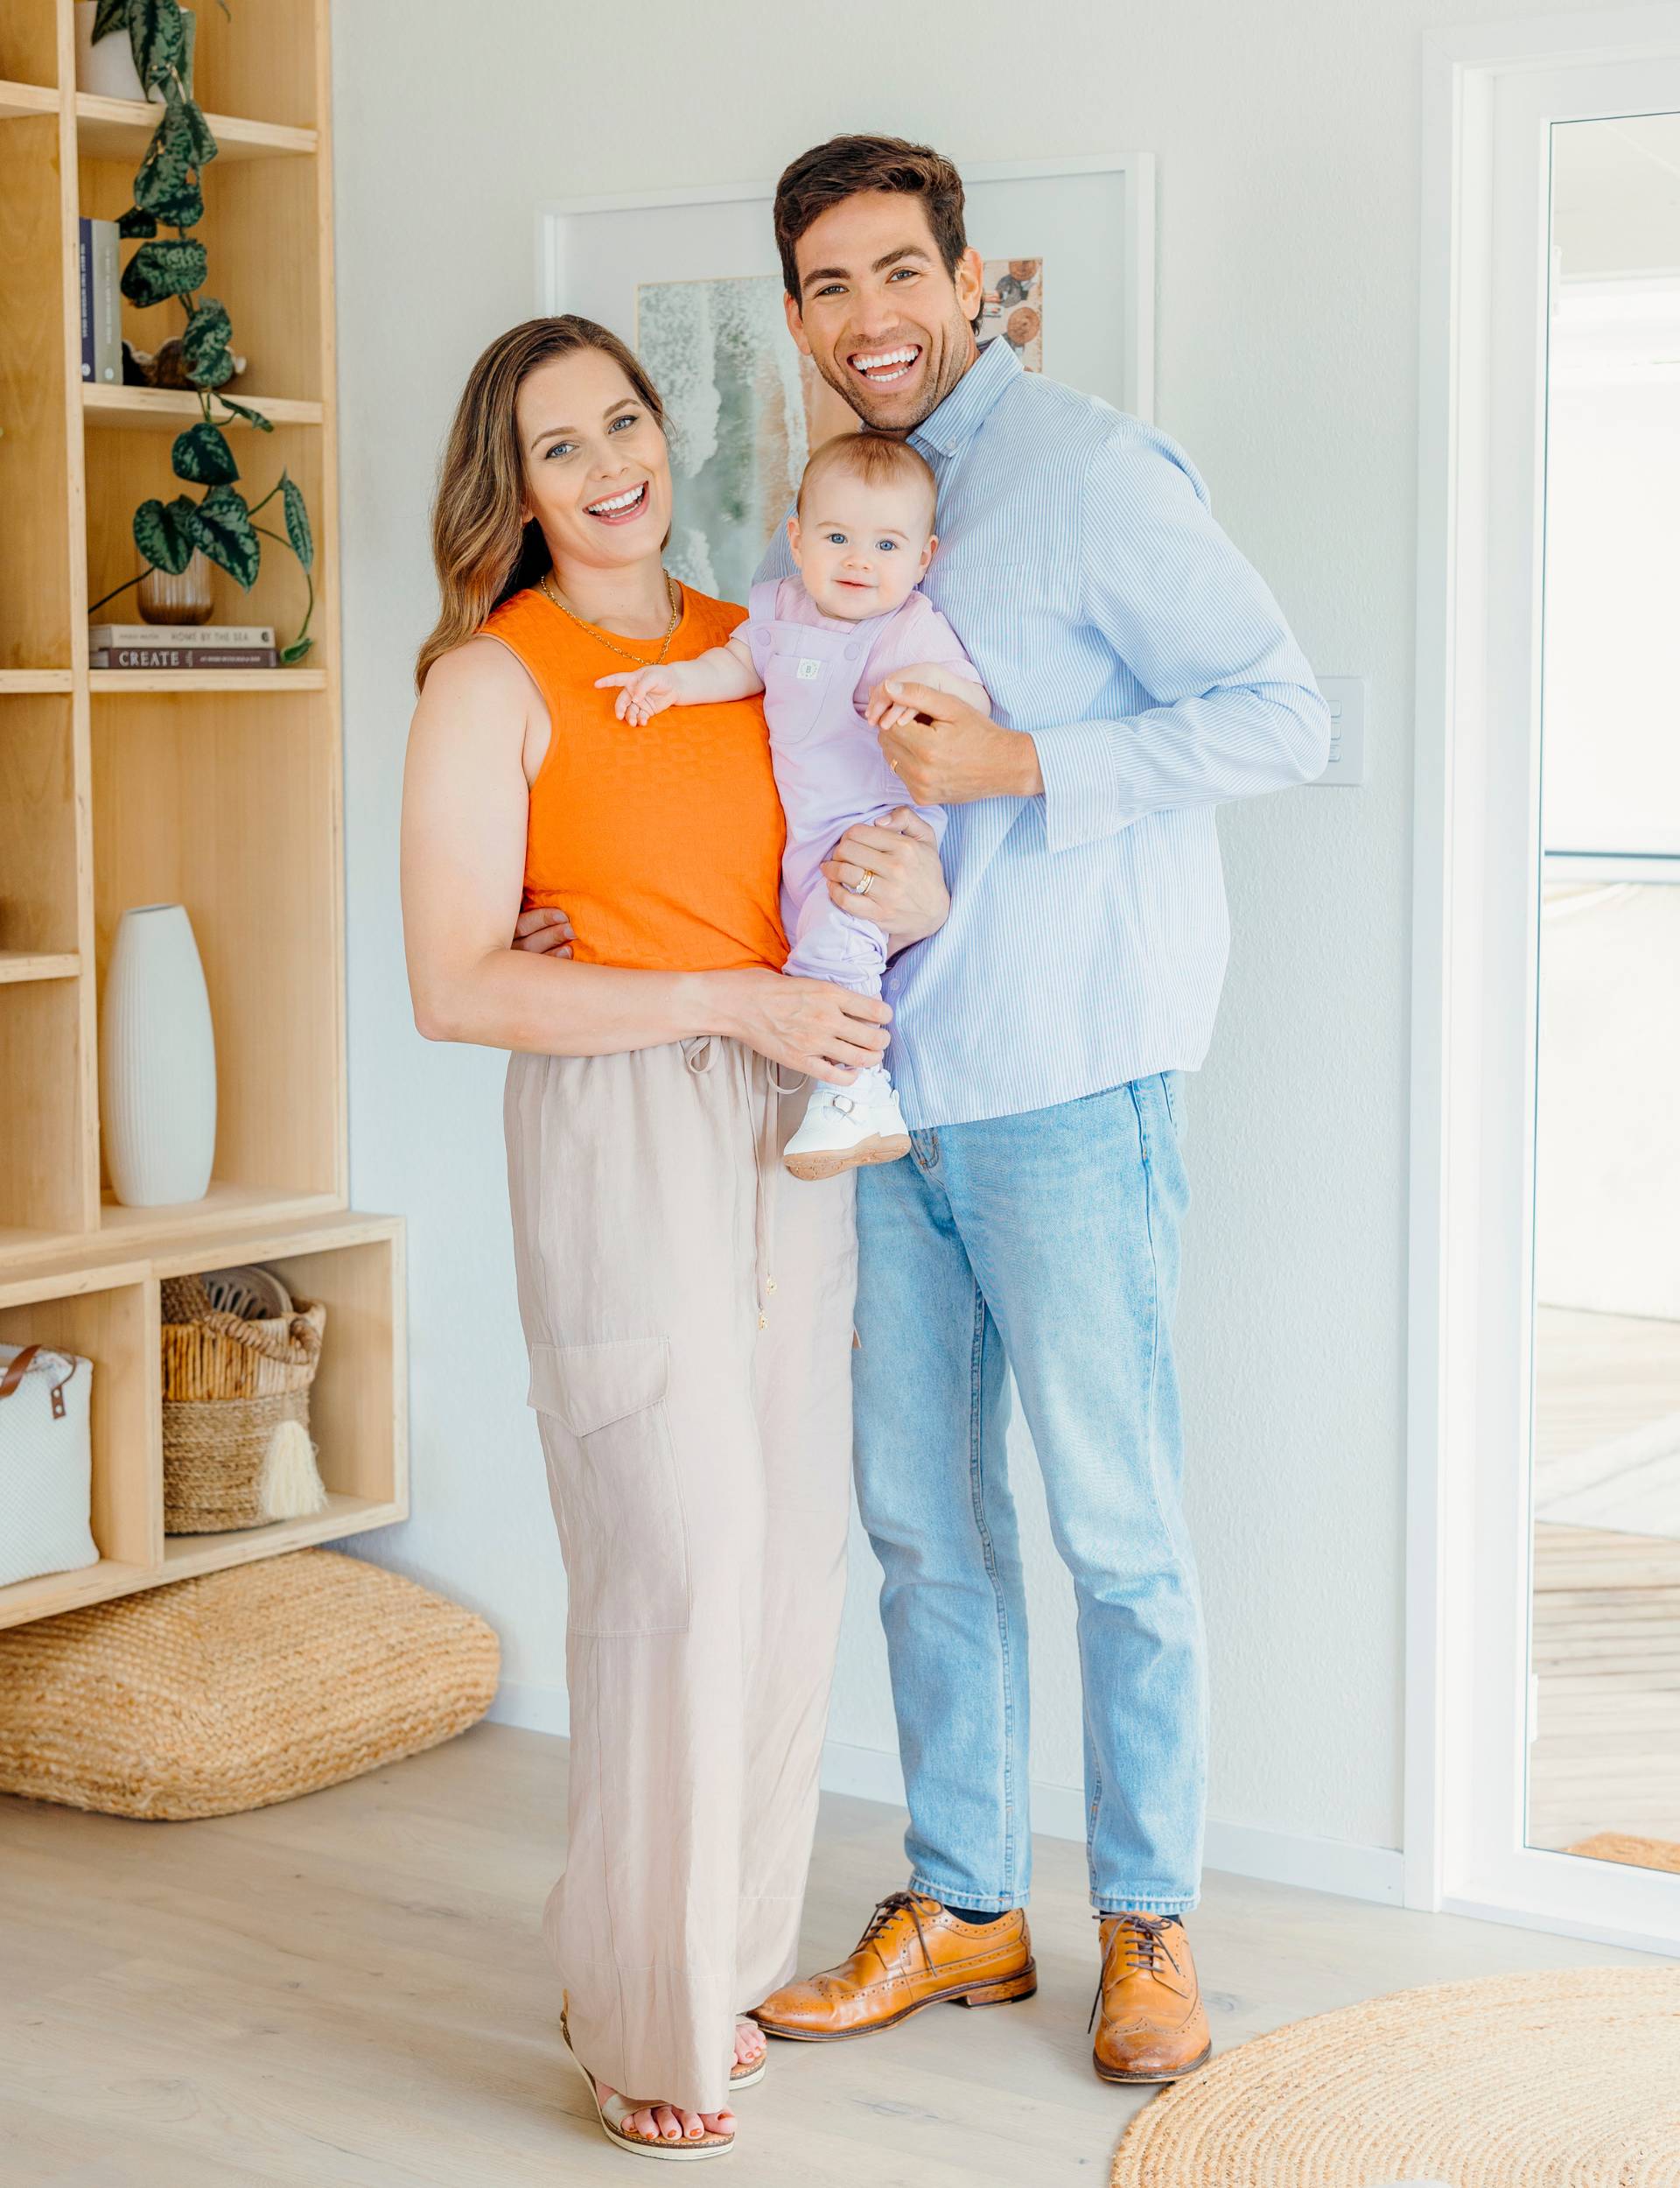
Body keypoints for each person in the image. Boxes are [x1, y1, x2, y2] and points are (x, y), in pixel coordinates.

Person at [737, 136, 1333, 2085]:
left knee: (1119, 1528)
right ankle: (968, 1902)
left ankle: (1147, 1921)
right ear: (803, 314)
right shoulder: (842, 507)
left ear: (973, 275)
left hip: (1072, 1082)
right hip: (892, 1093)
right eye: (829, 286)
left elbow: (1281, 712)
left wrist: (1020, 760)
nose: (869, 317)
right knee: (921, 1520)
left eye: (900, 272)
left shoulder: (1093, 470)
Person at [400, 313, 950, 2160]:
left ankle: (709, 1967)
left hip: (792, 1113)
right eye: (558, 445)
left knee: (791, 1562)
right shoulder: (491, 679)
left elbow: (877, 829)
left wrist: (917, 878)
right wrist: (716, 994)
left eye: (620, 421)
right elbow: (456, 983)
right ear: (516, 485)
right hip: (630, 1110)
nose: (606, 464)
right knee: (680, 1561)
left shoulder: (762, 633)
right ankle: (634, 2002)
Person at [598, 428, 988, 1180]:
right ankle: (853, 1091)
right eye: (838, 537)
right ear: (797, 539)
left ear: (923, 559)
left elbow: (969, 697)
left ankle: (857, 1090)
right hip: (807, 833)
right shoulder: (781, 609)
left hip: (874, 827)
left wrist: (918, 698)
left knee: (837, 940)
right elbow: (738, 662)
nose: (858, 562)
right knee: (804, 932)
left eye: (885, 546)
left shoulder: (910, 627)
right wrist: (673, 685)